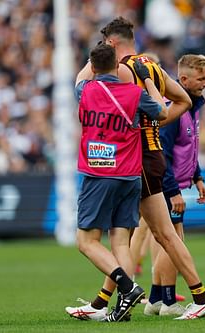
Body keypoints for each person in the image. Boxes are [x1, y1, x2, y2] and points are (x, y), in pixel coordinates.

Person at [66, 17, 205, 321]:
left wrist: (144, 127)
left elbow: (95, 93)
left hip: (136, 157)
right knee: (126, 235)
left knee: (159, 233)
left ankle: (200, 296)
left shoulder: (122, 70)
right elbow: (183, 100)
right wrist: (154, 122)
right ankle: (101, 302)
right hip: (148, 155)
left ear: (110, 43)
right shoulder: (149, 65)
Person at [72, 43, 167, 322]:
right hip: (130, 176)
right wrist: (147, 78)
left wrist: (93, 60)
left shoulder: (86, 90)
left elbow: (79, 78)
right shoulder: (134, 93)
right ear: (117, 66)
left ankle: (128, 287)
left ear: (93, 66)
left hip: (100, 174)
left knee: (86, 242)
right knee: (121, 244)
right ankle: (123, 309)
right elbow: (161, 111)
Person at [143, 54, 205, 320]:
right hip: (164, 185)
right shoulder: (172, 108)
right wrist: (173, 189)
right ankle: (167, 301)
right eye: (201, 78)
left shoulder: (192, 106)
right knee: (172, 241)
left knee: (169, 240)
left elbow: (189, 147)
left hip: (174, 184)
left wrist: (197, 177)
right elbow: (161, 152)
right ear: (183, 80)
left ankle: (155, 299)